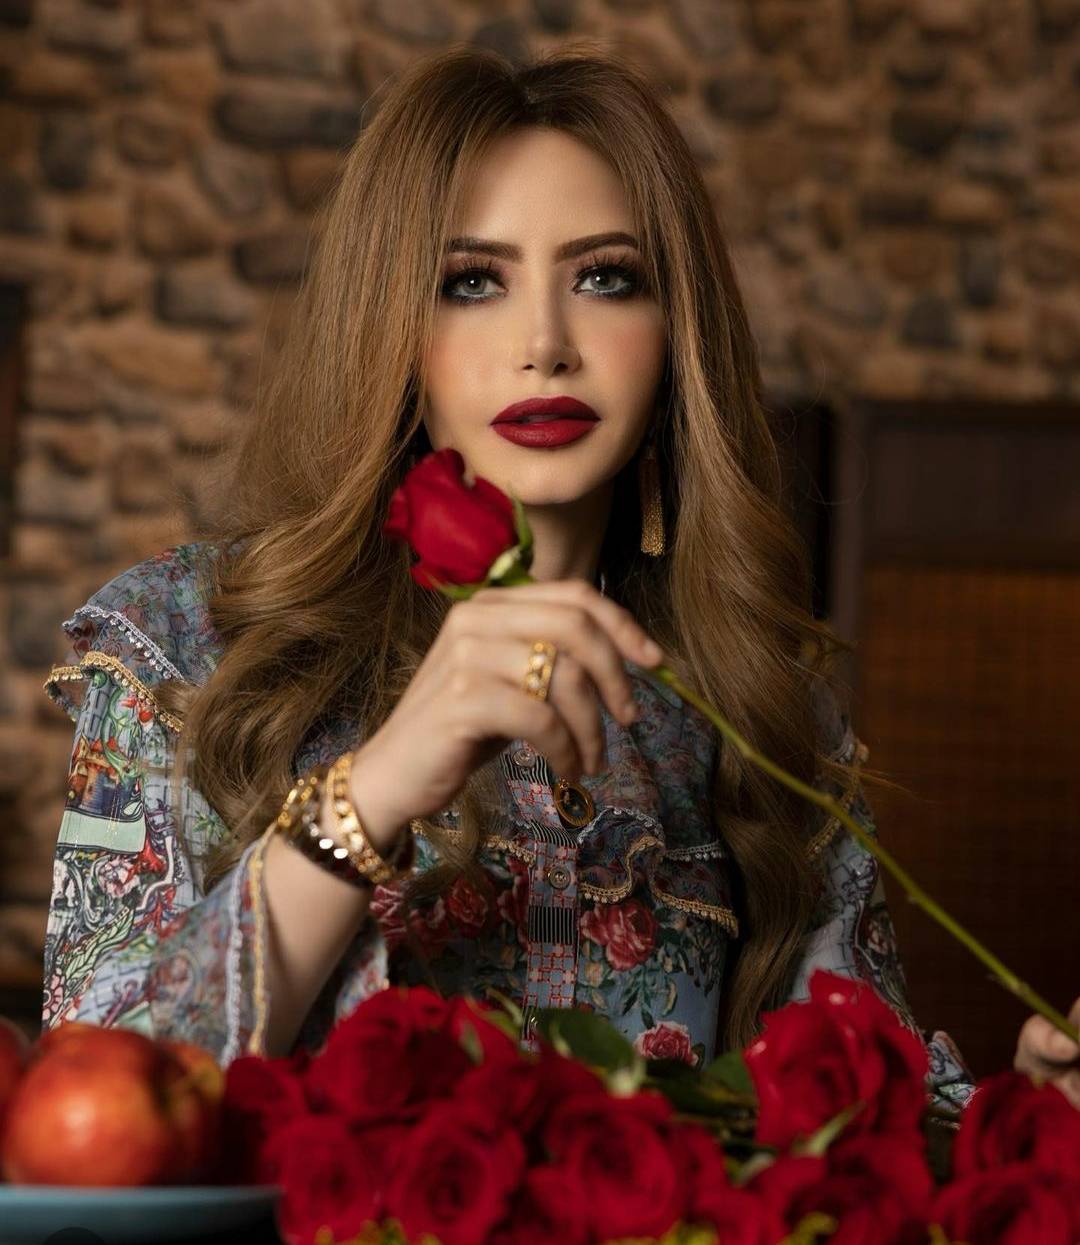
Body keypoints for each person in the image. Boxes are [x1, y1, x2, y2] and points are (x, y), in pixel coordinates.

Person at [40, 43, 994, 1113]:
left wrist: (1028, 1115)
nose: (545, 343)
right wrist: (376, 790)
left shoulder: (766, 704)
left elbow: (875, 1125)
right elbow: (81, 1117)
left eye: (605, 278)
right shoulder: (183, 641)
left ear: (675, 331)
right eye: (472, 282)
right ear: (390, 329)